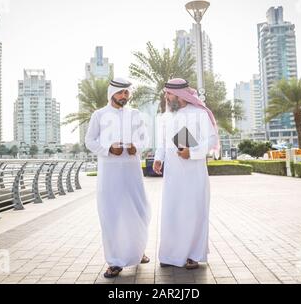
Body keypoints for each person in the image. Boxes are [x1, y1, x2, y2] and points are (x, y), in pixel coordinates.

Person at [85, 77, 151, 278]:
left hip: (132, 172)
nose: (125, 96)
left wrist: (136, 147)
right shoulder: (99, 115)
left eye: (127, 93)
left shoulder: (136, 114)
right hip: (109, 174)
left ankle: (138, 251)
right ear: (111, 93)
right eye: (121, 92)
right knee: (111, 215)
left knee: (139, 212)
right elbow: (89, 141)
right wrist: (107, 149)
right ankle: (114, 262)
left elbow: (145, 139)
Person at [153, 78, 219, 270]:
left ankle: (193, 255)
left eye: (168, 94)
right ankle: (170, 255)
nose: (166, 97)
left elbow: (212, 139)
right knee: (172, 212)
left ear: (180, 94)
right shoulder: (166, 117)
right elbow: (163, 141)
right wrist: (159, 158)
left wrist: (193, 152)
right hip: (173, 174)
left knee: (193, 212)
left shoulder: (200, 113)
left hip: (194, 173)